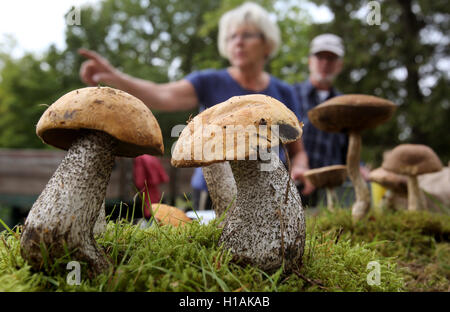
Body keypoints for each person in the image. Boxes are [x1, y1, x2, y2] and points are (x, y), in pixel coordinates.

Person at [79, 2, 313, 210]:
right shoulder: (208, 81)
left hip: (271, 188)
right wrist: (115, 76)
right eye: (231, 37)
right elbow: (162, 94)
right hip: (214, 191)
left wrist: (300, 168)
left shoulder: (283, 92)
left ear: (267, 44)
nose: (238, 42)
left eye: (247, 35)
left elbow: (297, 150)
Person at [292, 34, 348, 206]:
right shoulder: (291, 94)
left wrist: (358, 166)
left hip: (333, 190)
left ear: (340, 65)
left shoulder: (345, 104)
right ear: (310, 61)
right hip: (296, 184)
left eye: (331, 58)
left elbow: (349, 143)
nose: (325, 63)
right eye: (320, 57)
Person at [133, 154, 169, 219]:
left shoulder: (140, 158)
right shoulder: (152, 157)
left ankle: (150, 220)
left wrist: (139, 185)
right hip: (153, 186)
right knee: (155, 206)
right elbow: (162, 174)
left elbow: (140, 174)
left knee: (148, 207)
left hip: (147, 187)